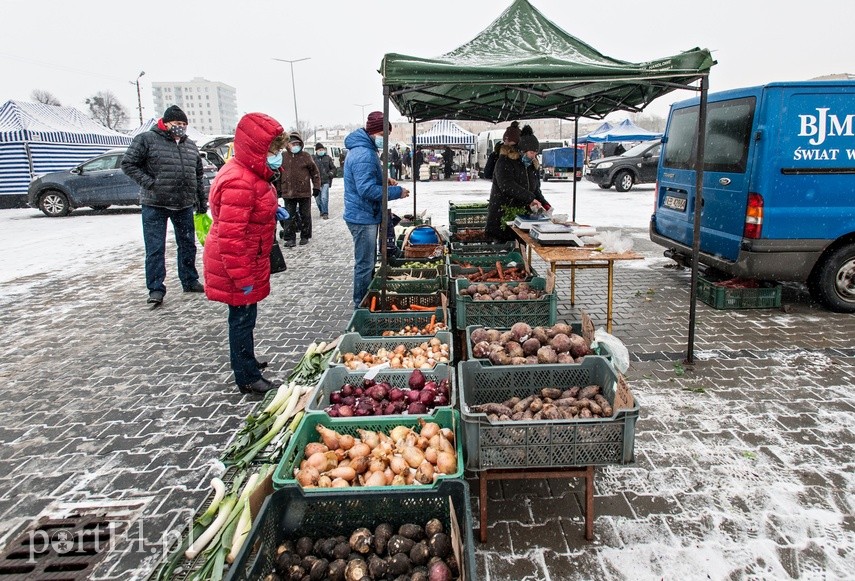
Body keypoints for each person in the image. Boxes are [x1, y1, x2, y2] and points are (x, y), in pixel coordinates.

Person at [203, 113, 288, 395]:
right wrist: (242, 278)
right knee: (240, 319)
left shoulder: (248, 173)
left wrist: (269, 209)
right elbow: (231, 238)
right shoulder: (240, 180)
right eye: (274, 151)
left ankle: (247, 361)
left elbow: (246, 213)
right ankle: (247, 377)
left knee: (246, 318)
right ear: (257, 149)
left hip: (248, 258)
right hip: (236, 264)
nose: (277, 157)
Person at [121, 105, 207, 306]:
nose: (181, 128)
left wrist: (201, 202)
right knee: (155, 248)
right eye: (177, 124)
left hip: (183, 203)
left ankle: (189, 279)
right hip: (155, 204)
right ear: (165, 123)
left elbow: (198, 175)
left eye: (184, 124)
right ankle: (156, 288)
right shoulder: (146, 140)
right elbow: (128, 164)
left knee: (187, 245)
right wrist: (151, 183)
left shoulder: (190, 145)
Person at [343, 111, 410, 308]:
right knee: (365, 264)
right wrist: (396, 191)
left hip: (365, 213)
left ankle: (367, 300)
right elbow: (366, 190)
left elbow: (367, 179)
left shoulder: (365, 149)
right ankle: (361, 304)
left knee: (368, 262)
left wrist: (384, 179)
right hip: (362, 216)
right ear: (375, 132)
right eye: (383, 135)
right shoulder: (363, 153)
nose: (385, 140)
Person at [485, 124, 552, 242]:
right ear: (523, 151)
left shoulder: (531, 166)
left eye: (536, 153)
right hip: (501, 218)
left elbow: (535, 190)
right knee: (504, 252)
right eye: (532, 152)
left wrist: (545, 204)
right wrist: (530, 198)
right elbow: (507, 186)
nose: (534, 156)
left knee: (520, 253)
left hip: (522, 221)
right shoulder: (504, 162)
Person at [275, 131, 320, 247]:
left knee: (305, 215)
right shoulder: (283, 157)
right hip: (288, 192)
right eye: (292, 144)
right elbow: (279, 174)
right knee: (289, 216)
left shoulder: (306, 156)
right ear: (287, 145)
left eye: (297, 144)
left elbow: (315, 173)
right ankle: (290, 238)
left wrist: (316, 187)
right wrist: (279, 189)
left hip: (304, 191)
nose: (295, 146)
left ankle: (305, 236)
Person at [311, 143, 336, 219]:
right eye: (319, 150)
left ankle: (325, 213)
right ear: (316, 151)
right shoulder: (313, 158)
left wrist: (331, 173)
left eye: (322, 150)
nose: (321, 151)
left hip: (326, 181)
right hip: (316, 182)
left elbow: (333, 168)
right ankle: (321, 211)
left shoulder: (328, 158)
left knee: (324, 197)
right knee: (318, 199)